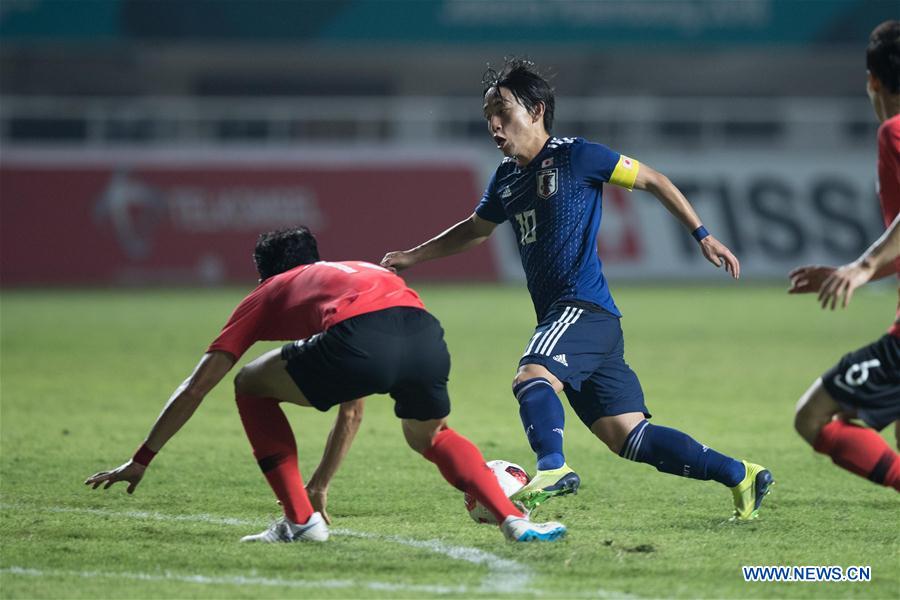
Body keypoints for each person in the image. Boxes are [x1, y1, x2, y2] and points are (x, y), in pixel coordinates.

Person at [381, 59, 772, 520]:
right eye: (488, 115)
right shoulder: (506, 179)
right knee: (628, 437)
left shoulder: (576, 156)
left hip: (580, 308)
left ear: (536, 110)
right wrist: (410, 257)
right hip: (589, 322)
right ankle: (742, 474)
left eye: (502, 111)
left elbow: (654, 180)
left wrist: (703, 235)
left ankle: (553, 467)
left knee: (531, 377)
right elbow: (475, 229)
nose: (493, 125)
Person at [85, 227, 567, 543]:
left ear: (265, 273)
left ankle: (299, 521)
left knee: (250, 383)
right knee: (430, 435)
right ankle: (514, 521)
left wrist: (142, 457)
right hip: (424, 330)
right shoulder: (353, 274)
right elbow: (352, 408)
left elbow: (197, 385)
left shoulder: (272, 289)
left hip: (361, 336)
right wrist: (322, 483)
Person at [789, 20, 900, 492]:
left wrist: (864, 265)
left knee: (813, 416)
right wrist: (858, 269)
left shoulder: (894, 130)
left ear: (872, 80)